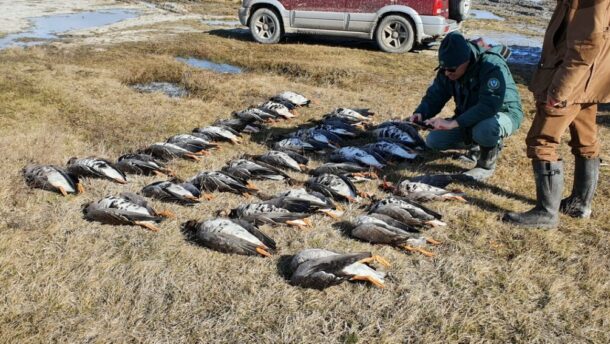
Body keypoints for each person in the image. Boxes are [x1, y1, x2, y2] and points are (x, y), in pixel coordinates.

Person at [503, 0, 610, 228]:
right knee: (585, 138)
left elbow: (586, 44)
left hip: (572, 77)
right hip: (589, 79)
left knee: (542, 140)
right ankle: (580, 204)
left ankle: (546, 213)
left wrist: (560, 89)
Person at [409, 32, 524, 181]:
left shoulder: (491, 65)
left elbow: (490, 105)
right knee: (434, 140)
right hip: (470, 116)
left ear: (466, 61)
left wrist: (453, 123)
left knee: (485, 129)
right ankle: (475, 146)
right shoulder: (448, 70)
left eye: (451, 69)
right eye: (443, 68)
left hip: (502, 113)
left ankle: (485, 164)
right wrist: (421, 113)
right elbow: (435, 95)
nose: (447, 73)